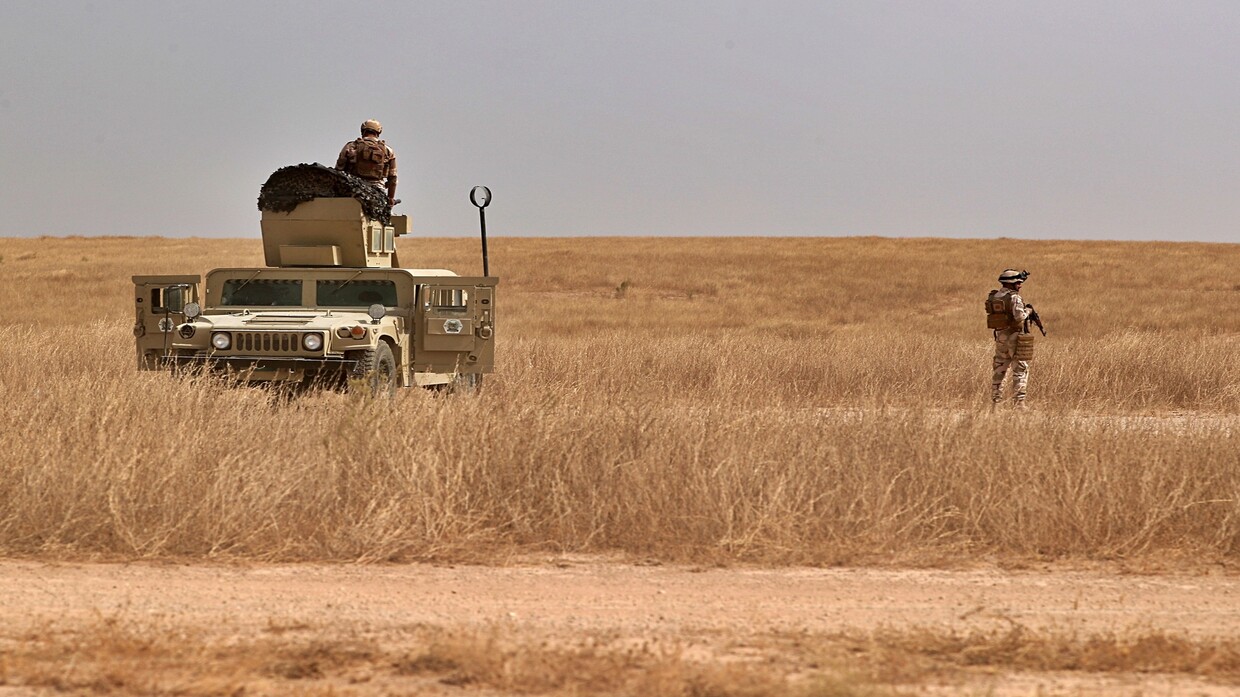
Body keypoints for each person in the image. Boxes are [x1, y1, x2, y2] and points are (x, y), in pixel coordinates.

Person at [986, 269, 1034, 406]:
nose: (1020, 285)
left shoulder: (995, 296)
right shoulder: (1014, 297)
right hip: (1014, 336)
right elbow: (1019, 317)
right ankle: (1019, 403)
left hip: (1000, 336)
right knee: (1020, 368)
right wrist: (1028, 311)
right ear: (1011, 283)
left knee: (1000, 368)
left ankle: (996, 401)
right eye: (1018, 282)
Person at [336, 119, 398, 206]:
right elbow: (393, 179)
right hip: (377, 192)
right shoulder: (388, 151)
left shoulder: (350, 146)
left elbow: (338, 171)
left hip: (353, 189)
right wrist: (390, 198)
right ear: (379, 132)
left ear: (362, 131)